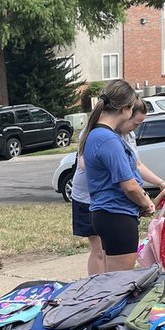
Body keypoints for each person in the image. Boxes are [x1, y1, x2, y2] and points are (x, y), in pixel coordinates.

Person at [82, 79, 165, 271]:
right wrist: (145, 202)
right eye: (131, 108)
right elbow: (129, 186)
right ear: (124, 108)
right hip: (117, 216)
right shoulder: (108, 139)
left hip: (107, 215)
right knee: (121, 281)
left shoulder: (98, 134)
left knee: (112, 278)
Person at [69, 113, 105, 275]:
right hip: (85, 199)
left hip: (104, 197)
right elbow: (84, 164)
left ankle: (108, 284)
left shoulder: (122, 132)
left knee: (106, 249)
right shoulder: (90, 132)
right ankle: (97, 285)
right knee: (99, 249)